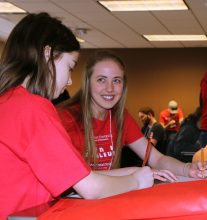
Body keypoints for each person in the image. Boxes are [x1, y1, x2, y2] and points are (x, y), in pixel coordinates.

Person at [0, 13, 154, 220]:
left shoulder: (9, 102)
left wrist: (134, 173)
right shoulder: (32, 108)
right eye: (70, 67)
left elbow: (78, 177)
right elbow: (91, 188)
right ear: (48, 54)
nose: (70, 81)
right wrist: (137, 181)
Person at [57, 51, 207, 182]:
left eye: (116, 81)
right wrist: (133, 173)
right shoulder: (66, 118)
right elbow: (78, 177)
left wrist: (187, 169)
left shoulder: (120, 117)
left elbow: (156, 159)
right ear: (87, 83)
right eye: (101, 80)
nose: (110, 88)